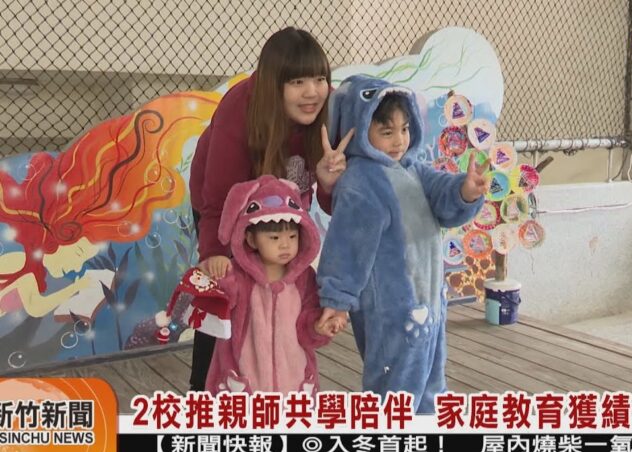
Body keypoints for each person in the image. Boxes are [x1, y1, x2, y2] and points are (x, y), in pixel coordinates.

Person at [188, 27, 353, 390]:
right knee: (226, 297)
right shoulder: (240, 109)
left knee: (280, 292)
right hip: (224, 207)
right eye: (297, 82)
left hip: (284, 211)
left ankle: (276, 386)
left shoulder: (329, 112)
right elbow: (217, 200)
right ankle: (204, 395)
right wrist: (213, 256)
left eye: (319, 79)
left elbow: (330, 203)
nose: (312, 92)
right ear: (272, 85)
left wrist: (328, 183)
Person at [316, 75, 490, 413]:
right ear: (358, 130)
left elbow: (443, 193)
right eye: (387, 132)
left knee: (430, 381)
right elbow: (347, 247)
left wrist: (466, 191)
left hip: (429, 304)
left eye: (405, 128)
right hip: (391, 312)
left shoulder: (412, 169)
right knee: (396, 387)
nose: (399, 140)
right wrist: (336, 300)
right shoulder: (360, 183)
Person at [0, 105, 187, 319]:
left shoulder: (30, 268)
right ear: (59, 238)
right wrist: (76, 287)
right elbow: (36, 308)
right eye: (79, 254)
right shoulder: (19, 266)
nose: (78, 265)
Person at [204, 175, 338, 395]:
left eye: (292, 236)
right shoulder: (238, 276)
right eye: (274, 238)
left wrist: (318, 327)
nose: (285, 245)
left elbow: (307, 326)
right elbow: (216, 303)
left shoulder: (305, 278)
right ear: (251, 239)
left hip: (293, 383)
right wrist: (215, 269)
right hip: (245, 384)